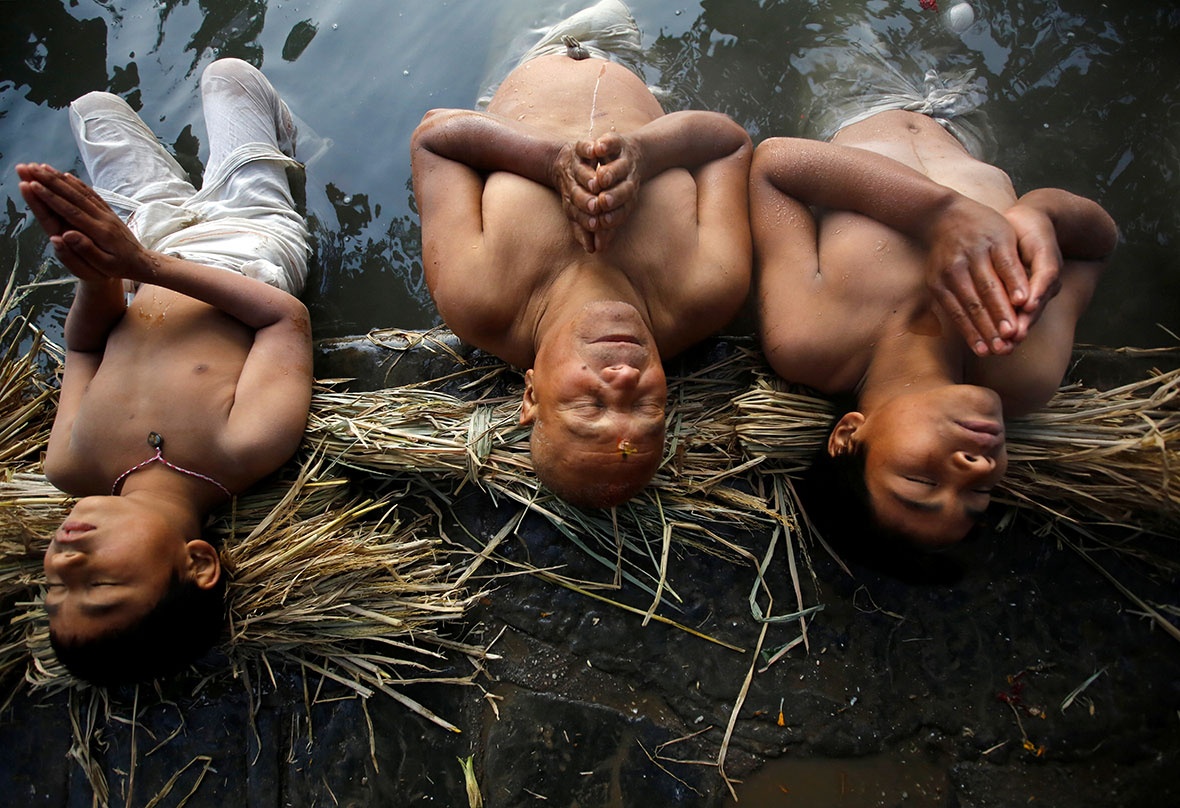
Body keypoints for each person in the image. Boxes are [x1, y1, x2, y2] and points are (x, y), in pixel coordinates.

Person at [17, 58, 313, 685]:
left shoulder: (72, 465)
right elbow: (283, 322)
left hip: (142, 251)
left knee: (91, 107)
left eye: (52, 584)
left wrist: (99, 278)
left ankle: (165, 191)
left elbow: (84, 352)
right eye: (98, 581)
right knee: (226, 74)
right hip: (247, 242)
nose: (66, 558)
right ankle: (290, 144)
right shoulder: (245, 447)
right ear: (198, 562)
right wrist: (144, 264)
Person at [752, 60, 1117, 550]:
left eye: (921, 483)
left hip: (846, 94)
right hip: (969, 118)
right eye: (981, 491)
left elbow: (774, 165)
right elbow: (1099, 245)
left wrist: (941, 215)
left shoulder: (811, 340)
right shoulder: (1024, 368)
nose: (978, 467)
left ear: (848, 437)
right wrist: (1043, 215)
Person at [411, 0, 752, 508]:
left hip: (527, 54)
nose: (624, 377)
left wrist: (550, 161)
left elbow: (435, 138)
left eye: (591, 402)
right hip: (621, 54)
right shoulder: (708, 291)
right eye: (646, 403)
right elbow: (729, 143)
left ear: (531, 395)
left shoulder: (477, 298)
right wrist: (647, 152)